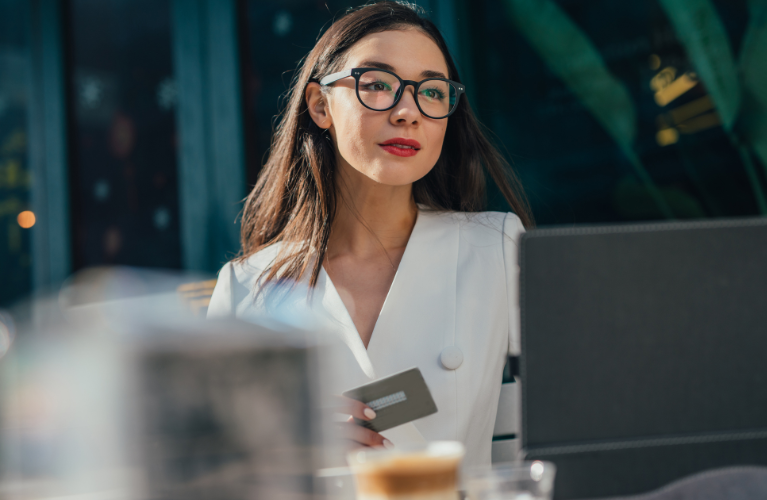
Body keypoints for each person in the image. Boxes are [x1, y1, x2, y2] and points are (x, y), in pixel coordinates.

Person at [207, 0, 533, 469]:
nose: (408, 111)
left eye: (432, 91)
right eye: (377, 85)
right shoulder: (246, 287)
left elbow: (566, 422)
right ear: (320, 105)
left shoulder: (495, 249)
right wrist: (289, 448)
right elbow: (214, 469)